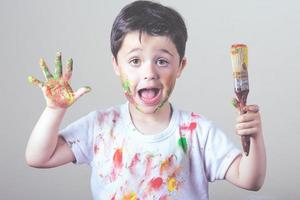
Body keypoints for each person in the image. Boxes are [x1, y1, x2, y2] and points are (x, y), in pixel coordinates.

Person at [26, 1, 266, 199]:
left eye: (162, 61)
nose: (149, 72)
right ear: (116, 65)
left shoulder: (197, 132)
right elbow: (39, 157)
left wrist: (254, 137)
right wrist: (54, 110)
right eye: (135, 61)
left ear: (180, 66)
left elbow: (250, 179)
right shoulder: (100, 127)